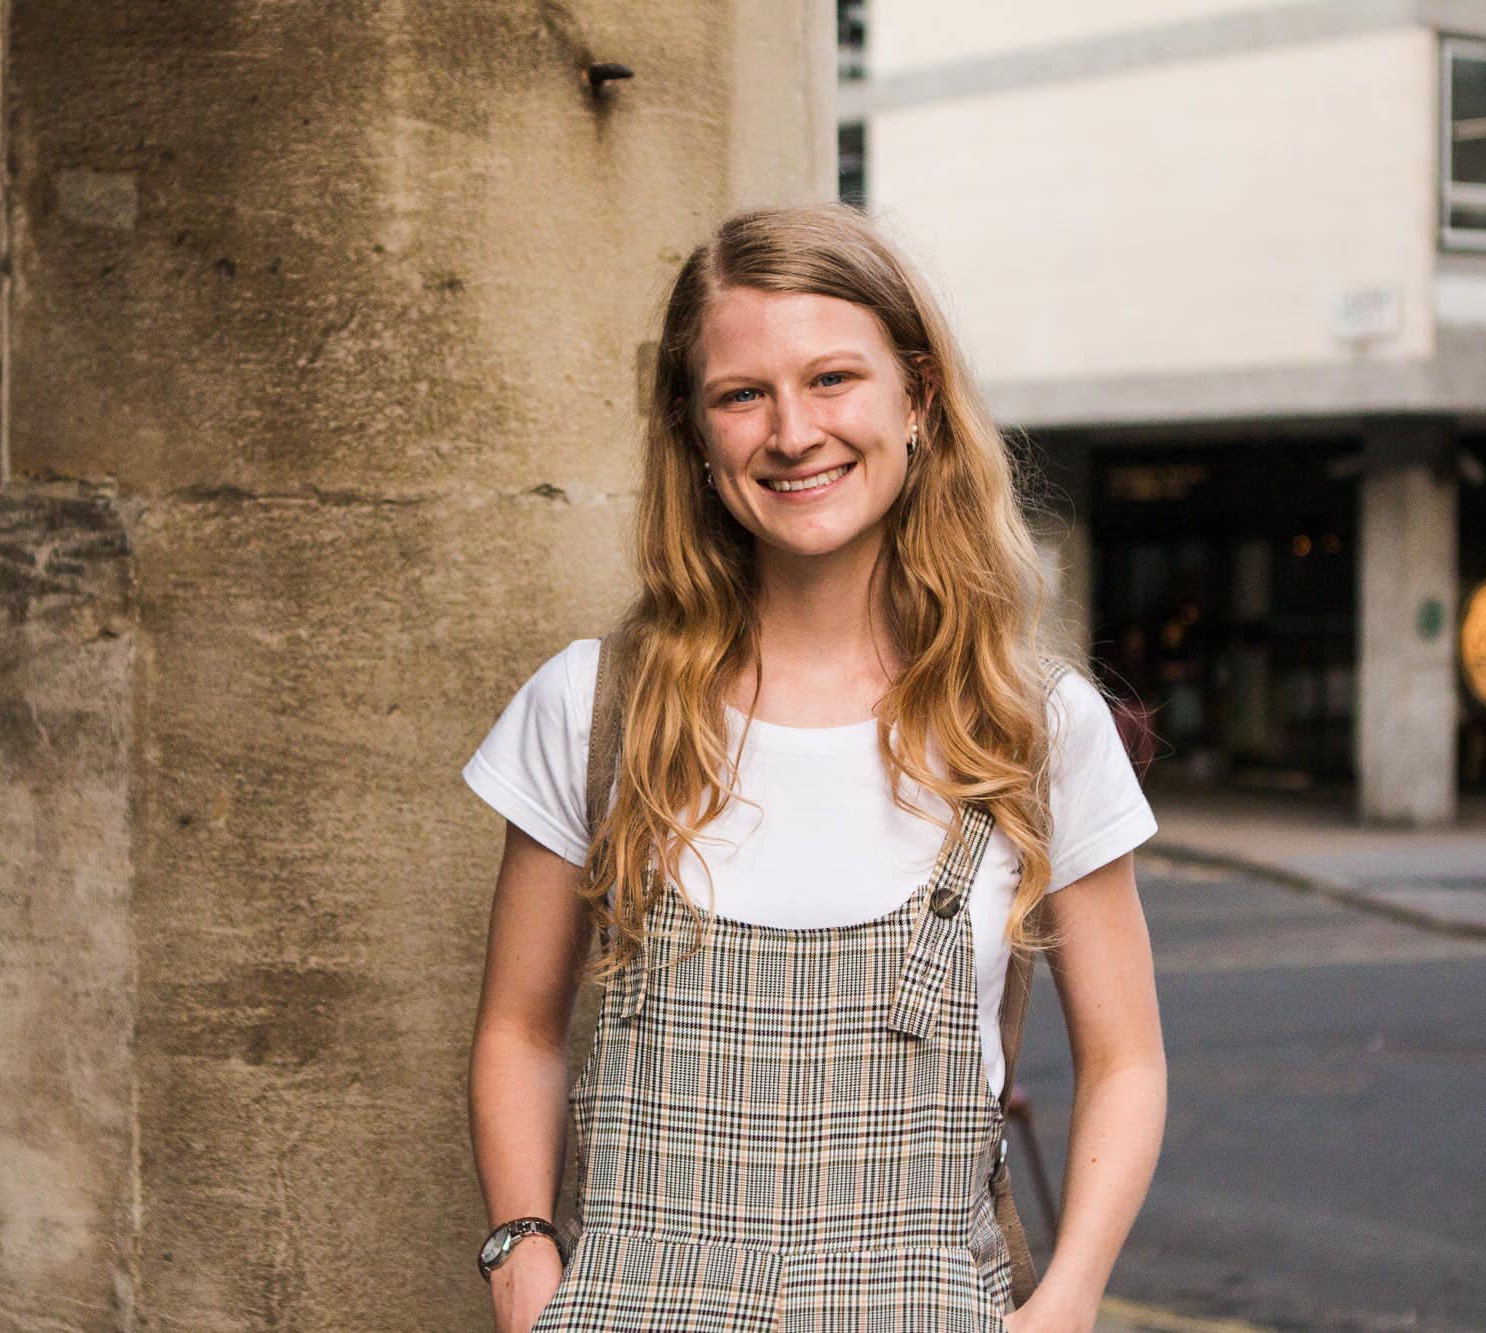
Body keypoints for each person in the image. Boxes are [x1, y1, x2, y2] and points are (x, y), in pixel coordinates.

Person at [464, 202, 1166, 1332]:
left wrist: (1068, 1295)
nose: (792, 432)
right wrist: (521, 1262)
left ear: (917, 398)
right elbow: (518, 1028)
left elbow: (1125, 1059)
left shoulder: (1033, 729)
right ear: (694, 432)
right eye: (742, 395)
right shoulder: (594, 708)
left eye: (833, 378)